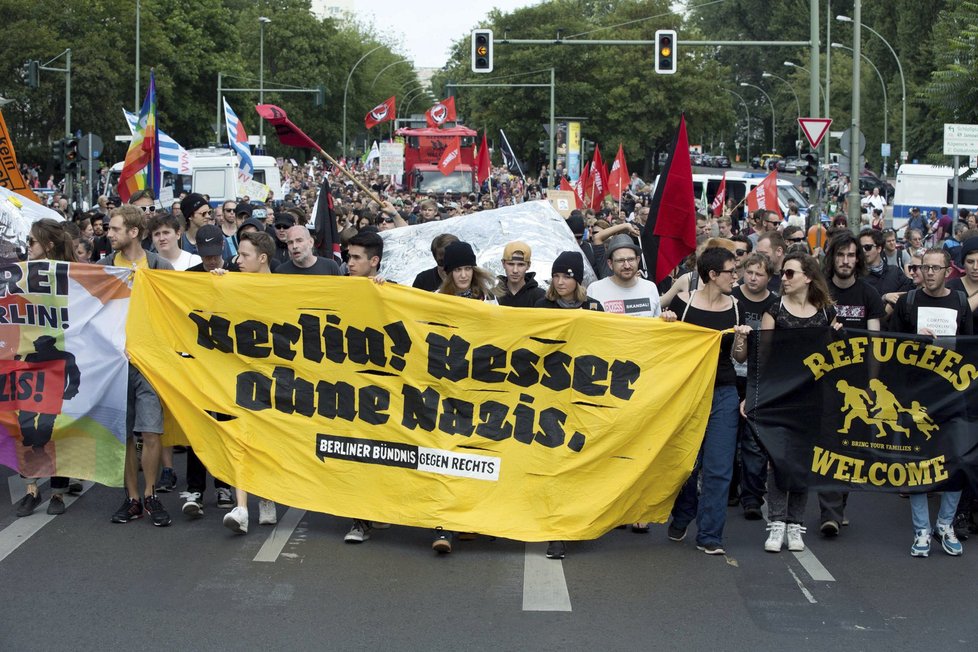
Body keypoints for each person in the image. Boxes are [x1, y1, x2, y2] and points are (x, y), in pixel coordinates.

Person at [664, 247, 751, 555]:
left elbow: (738, 357)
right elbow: (667, 347)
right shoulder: (683, 304)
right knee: (686, 462)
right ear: (713, 275)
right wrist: (668, 324)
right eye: (732, 271)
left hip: (723, 392)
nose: (736, 277)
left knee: (718, 467)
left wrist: (741, 339)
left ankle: (710, 534)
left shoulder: (736, 307)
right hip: (687, 393)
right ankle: (684, 512)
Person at [890, 248, 972, 557]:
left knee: (957, 461)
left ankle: (945, 524)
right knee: (916, 462)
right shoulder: (909, 302)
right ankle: (921, 529)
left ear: (948, 271)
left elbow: (968, 348)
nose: (930, 273)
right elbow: (890, 343)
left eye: (936, 268)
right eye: (925, 267)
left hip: (951, 395)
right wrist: (913, 340)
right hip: (915, 396)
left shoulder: (959, 302)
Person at [99, 205, 175, 527]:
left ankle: (150, 494)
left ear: (133, 232)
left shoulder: (159, 266)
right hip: (116, 363)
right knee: (124, 433)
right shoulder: (102, 268)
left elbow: (176, 309)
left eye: (115, 229)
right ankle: (131, 499)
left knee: (151, 430)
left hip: (150, 362)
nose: (109, 234)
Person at [760, 251, 838, 553]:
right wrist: (758, 395)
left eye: (791, 273)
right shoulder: (774, 308)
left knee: (804, 460)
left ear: (808, 276)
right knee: (779, 458)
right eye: (783, 273)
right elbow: (762, 355)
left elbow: (836, 358)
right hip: (780, 394)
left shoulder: (826, 312)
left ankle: (795, 524)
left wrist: (836, 337)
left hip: (813, 396)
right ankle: (776, 522)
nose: (784, 279)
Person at [533, 250, 603, 560]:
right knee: (553, 460)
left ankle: (576, 521)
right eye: (557, 276)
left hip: (584, 395)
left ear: (577, 280)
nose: (561, 282)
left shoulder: (593, 307)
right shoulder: (542, 305)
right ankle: (556, 531)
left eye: (567, 276)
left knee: (579, 460)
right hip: (549, 394)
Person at [816, 231, 884, 537]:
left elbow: (876, 344)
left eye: (851, 255)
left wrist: (872, 382)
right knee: (830, 444)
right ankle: (829, 512)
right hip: (826, 383)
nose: (845, 261)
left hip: (858, 385)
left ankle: (838, 504)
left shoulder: (868, 294)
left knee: (852, 448)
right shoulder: (819, 291)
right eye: (840, 255)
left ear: (859, 259)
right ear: (833, 258)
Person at [212, 231, 280, 534]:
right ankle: (241, 507)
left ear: (262, 258)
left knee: (266, 439)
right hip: (235, 374)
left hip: (272, 377)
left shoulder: (287, 287)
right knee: (238, 437)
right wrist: (215, 284)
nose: (237, 260)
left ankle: (266, 497)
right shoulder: (231, 282)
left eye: (244, 255)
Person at [14, 219, 81, 517]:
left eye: (31, 242)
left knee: (56, 431)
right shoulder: (20, 275)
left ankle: (57, 493)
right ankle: (31, 489)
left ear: (49, 245)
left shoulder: (75, 275)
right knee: (25, 428)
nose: (27, 247)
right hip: (27, 368)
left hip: (56, 369)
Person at [342, 230, 393, 544]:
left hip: (378, 389)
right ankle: (359, 518)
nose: (350, 263)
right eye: (349, 257)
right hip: (344, 385)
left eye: (357, 258)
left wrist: (387, 296)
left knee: (378, 453)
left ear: (374, 261)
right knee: (354, 452)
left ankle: (377, 510)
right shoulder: (338, 287)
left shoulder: (390, 291)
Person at [730, 253, 777, 520]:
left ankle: (752, 496)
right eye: (749, 272)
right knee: (729, 436)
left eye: (759, 274)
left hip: (759, 378)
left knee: (753, 442)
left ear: (769, 277)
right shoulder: (733, 298)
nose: (753, 278)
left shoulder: (775, 303)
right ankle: (730, 490)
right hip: (731, 374)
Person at [274, 225, 342, 275]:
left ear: (311, 242)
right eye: (290, 242)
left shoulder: (330, 267)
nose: (294, 246)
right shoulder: (280, 272)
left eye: (299, 241)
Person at [495, 241, 546, 307]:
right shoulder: (493, 295)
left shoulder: (540, 297)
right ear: (503, 264)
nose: (515, 270)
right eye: (510, 264)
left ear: (528, 265)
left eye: (521, 265)